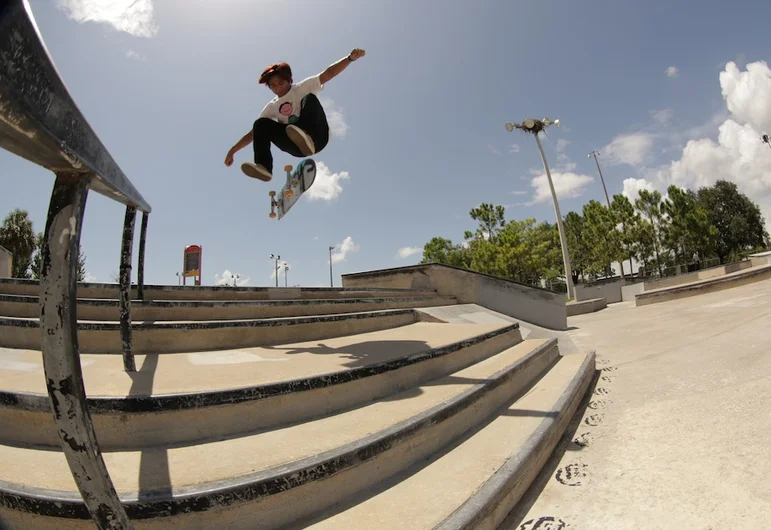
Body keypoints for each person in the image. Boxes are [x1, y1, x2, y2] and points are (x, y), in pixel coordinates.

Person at [224, 48, 366, 181]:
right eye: (273, 86)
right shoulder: (272, 107)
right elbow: (253, 134)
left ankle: (306, 136)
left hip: (318, 138)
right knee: (260, 124)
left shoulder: (302, 87)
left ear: (289, 80)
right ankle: (264, 167)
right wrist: (233, 150)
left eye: (281, 83)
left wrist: (349, 59)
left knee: (309, 98)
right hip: (296, 147)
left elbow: (328, 74)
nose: (278, 88)